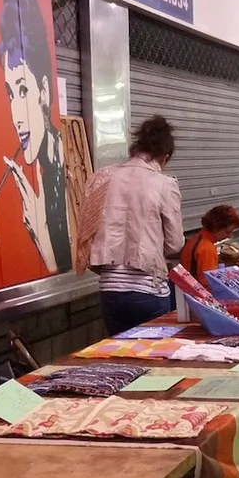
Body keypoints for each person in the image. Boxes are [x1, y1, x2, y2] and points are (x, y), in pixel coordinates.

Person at [76, 115, 185, 337]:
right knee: (154, 355)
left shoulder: (102, 178)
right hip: (148, 289)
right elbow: (175, 244)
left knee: (121, 352)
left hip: (110, 289)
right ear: (165, 156)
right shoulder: (164, 184)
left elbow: (87, 232)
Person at [0, 0, 70, 273]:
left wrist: (40, 234)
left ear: (44, 91)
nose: (17, 116)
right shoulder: (44, 165)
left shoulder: (68, 169)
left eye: (23, 89)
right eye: (10, 94)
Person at [181, 205, 239, 286]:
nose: (229, 236)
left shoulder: (196, 238)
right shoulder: (207, 249)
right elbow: (208, 283)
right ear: (216, 227)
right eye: (227, 232)